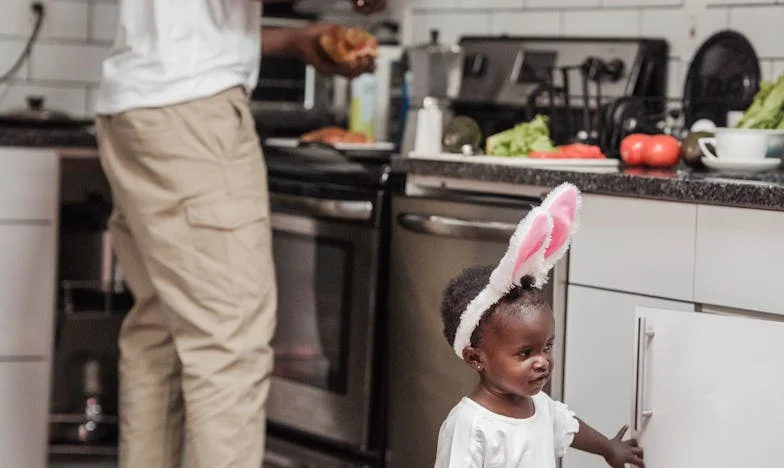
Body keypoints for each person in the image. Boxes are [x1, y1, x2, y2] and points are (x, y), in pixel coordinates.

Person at [92, 1, 386, 468]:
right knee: (229, 347)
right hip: (191, 113)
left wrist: (293, 39)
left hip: (138, 104)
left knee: (160, 329)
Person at [435, 183, 645, 468]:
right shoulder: (471, 426)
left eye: (547, 347)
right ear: (475, 357)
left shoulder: (540, 406)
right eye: (525, 353)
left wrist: (608, 448)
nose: (542, 362)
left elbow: (568, 427)